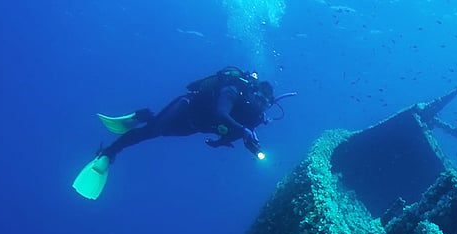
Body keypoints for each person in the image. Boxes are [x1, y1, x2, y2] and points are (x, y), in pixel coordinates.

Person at [72, 66, 294, 200]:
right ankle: (109, 153)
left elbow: (239, 136)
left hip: (192, 127)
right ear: (253, 93)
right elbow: (220, 113)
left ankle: (146, 117)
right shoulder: (233, 89)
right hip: (185, 107)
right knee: (154, 131)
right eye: (260, 99)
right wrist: (243, 131)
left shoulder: (252, 118)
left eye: (266, 104)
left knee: (158, 130)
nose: (261, 106)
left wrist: (228, 144)